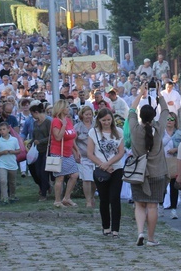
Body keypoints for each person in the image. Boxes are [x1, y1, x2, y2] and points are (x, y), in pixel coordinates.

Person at [129, 83, 168, 247]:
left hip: (139, 172)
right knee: (153, 206)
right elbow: (165, 111)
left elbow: (131, 110)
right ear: (153, 117)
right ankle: (151, 238)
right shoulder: (158, 128)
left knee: (139, 204)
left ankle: (140, 232)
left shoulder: (135, 129)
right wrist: (159, 94)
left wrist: (141, 93)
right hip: (157, 172)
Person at [87, 108, 125, 237]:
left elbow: (121, 152)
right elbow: (90, 153)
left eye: (109, 120)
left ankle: (116, 228)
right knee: (104, 199)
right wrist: (102, 165)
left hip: (116, 168)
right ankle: (106, 226)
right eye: (104, 120)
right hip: (100, 169)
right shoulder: (94, 132)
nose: (107, 122)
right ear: (99, 120)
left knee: (115, 198)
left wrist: (109, 163)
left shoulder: (118, 132)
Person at [50, 99, 80, 208]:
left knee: (74, 174)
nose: (69, 109)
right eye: (67, 107)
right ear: (61, 109)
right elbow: (58, 137)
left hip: (68, 153)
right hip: (58, 153)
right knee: (60, 177)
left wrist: (76, 150)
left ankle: (66, 197)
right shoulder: (56, 121)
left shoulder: (68, 120)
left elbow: (72, 137)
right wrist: (63, 126)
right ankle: (57, 201)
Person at [28, 102, 52, 201]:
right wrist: (31, 142)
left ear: (36, 112)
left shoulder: (47, 122)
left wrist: (41, 141)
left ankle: (43, 193)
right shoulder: (35, 123)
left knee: (43, 172)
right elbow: (34, 136)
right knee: (37, 171)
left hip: (47, 150)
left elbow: (51, 137)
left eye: (32, 114)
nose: (32, 116)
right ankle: (45, 186)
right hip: (37, 151)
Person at [0, 121, 20, 203]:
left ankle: (12, 195)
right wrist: (2, 152)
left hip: (12, 164)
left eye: (4, 129)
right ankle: (4, 197)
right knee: (3, 180)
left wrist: (13, 152)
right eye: (0, 130)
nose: (2, 131)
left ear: (8, 129)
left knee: (12, 182)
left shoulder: (14, 140)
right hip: (2, 164)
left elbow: (18, 150)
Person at [74, 106, 96, 208]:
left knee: (94, 179)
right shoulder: (77, 127)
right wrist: (76, 152)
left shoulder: (96, 125)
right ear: (82, 115)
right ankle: (87, 200)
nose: (88, 116)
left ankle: (92, 197)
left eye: (90, 114)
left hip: (96, 156)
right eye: (86, 114)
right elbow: (73, 141)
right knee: (86, 179)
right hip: (83, 155)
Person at [162, 111, 181, 219]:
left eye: (171, 119)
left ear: (175, 122)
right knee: (162, 186)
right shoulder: (161, 132)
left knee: (174, 186)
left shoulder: (179, 133)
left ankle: (173, 209)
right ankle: (160, 206)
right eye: (167, 119)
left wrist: (175, 149)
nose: (169, 122)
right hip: (162, 161)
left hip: (174, 161)